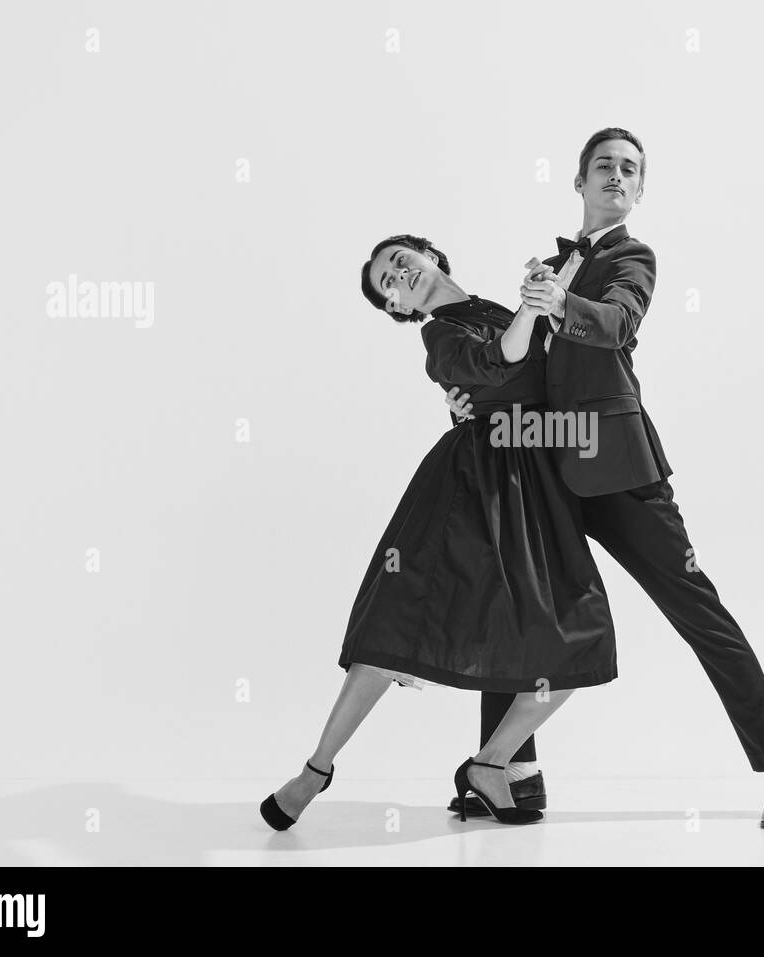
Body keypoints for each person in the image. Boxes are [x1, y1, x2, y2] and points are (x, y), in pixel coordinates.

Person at [445, 128, 764, 829]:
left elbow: (615, 323)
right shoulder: (548, 268)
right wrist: (469, 398)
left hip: (618, 470)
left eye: (629, 169)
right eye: (604, 165)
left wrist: (559, 306)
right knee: (516, 607)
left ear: (639, 191)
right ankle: (512, 772)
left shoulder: (631, 258)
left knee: (698, 612)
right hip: (542, 465)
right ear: (578, 182)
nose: (617, 174)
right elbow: (519, 366)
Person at [258, 234, 616, 830]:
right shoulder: (439, 334)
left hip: (531, 485)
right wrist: (526, 320)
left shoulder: (495, 310)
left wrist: (543, 313)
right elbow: (493, 364)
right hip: (465, 487)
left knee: (580, 637)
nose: (399, 275)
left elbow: (538, 376)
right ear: (399, 310)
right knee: (394, 628)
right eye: (387, 284)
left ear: (433, 257)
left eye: (402, 260)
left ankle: (491, 765)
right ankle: (313, 772)